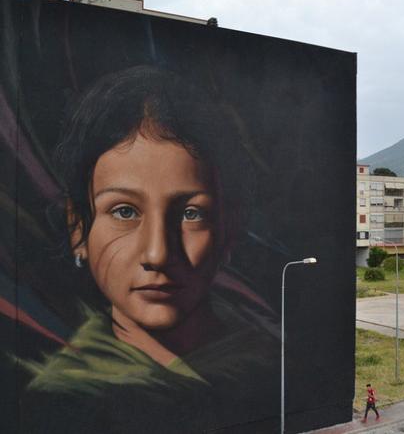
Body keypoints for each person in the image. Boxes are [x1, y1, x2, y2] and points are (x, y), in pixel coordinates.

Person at [19, 66, 279, 433]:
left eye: (191, 213)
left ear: (228, 230)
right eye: (124, 211)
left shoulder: (268, 352)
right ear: (79, 228)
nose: (157, 254)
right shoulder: (63, 401)